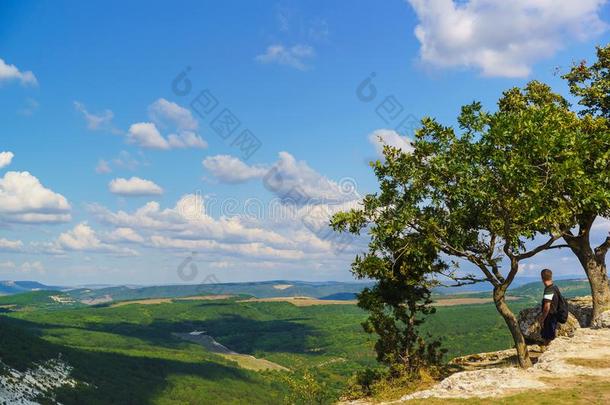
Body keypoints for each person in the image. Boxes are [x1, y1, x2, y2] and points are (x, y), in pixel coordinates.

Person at [538, 268, 558, 349]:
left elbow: (547, 306)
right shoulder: (554, 287)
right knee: (551, 337)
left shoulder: (549, 289)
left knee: (547, 339)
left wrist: (542, 319)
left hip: (549, 317)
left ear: (542, 277)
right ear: (551, 276)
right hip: (554, 316)